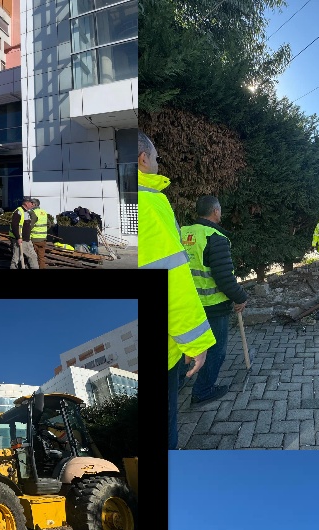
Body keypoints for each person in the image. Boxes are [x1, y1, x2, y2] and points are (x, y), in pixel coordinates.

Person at [140, 131, 215, 450]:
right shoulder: (150, 203)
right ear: (142, 159)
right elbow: (170, 275)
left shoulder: (186, 230)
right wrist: (195, 339)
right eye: (156, 158)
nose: (159, 163)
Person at [179, 196, 249, 407]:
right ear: (216, 211)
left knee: (188, 344)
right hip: (213, 305)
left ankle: (180, 381)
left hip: (187, 303)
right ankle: (203, 390)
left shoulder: (181, 232)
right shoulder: (215, 237)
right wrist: (240, 297)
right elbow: (224, 277)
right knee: (215, 349)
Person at [10, 197, 38, 269]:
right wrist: (18, 237)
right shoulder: (18, 212)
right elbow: (14, 226)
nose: (32, 204)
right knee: (16, 258)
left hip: (27, 239)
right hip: (20, 240)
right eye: (31, 203)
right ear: (26, 203)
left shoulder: (27, 212)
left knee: (33, 256)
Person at [29, 199, 50, 269]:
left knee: (33, 257)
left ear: (34, 204)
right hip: (43, 239)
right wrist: (43, 231)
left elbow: (30, 226)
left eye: (31, 203)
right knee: (41, 257)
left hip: (35, 239)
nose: (30, 205)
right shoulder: (43, 212)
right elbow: (49, 224)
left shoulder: (33, 212)